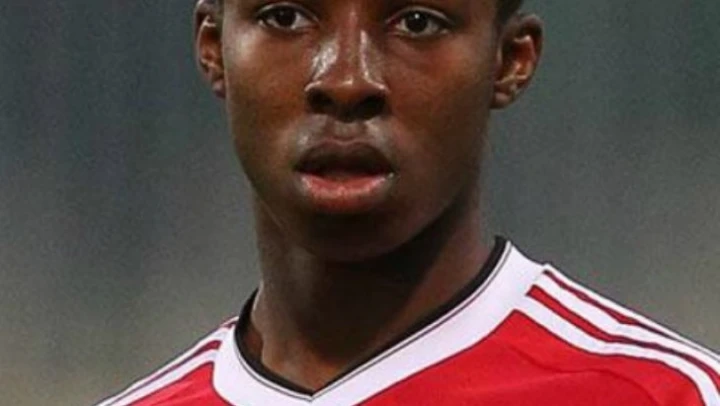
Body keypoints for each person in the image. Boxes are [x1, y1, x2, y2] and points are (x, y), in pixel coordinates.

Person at [98, 0, 720, 404]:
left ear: (510, 60)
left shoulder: (667, 396)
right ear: (214, 48)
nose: (346, 80)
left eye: (417, 22)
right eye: (286, 16)